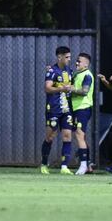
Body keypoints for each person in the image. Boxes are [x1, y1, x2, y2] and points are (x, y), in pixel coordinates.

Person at [41, 46, 74, 175]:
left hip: (67, 109)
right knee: (50, 137)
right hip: (54, 109)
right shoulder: (52, 71)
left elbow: (71, 86)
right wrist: (61, 88)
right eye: (67, 57)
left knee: (67, 136)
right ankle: (44, 164)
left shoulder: (69, 71)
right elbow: (47, 88)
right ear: (59, 57)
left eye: (70, 57)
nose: (69, 59)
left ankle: (64, 167)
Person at [71, 53, 94, 175]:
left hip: (83, 108)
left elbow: (85, 91)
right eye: (76, 61)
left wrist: (72, 89)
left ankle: (83, 165)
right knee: (81, 136)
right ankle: (88, 164)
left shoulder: (87, 75)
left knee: (79, 135)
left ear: (86, 64)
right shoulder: (77, 74)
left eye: (79, 61)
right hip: (76, 108)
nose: (76, 63)